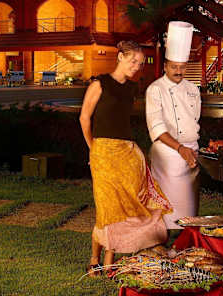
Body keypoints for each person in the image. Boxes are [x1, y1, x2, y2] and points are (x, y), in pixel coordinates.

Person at [79, 40, 172, 275]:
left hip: (129, 154)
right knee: (106, 207)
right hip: (103, 153)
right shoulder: (100, 84)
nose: (136, 67)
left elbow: (124, 122)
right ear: (120, 56)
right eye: (133, 61)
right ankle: (94, 259)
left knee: (126, 207)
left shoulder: (132, 88)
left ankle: (109, 260)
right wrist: (93, 148)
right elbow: (84, 118)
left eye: (140, 63)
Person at [146, 21, 202, 239]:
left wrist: (191, 147)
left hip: (191, 152)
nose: (178, 71)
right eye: (173, 67)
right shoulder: (155, 89)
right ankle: (163, 240)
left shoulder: (193, 89)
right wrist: (180, 148)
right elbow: (157, 127)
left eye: (182, 67)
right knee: (167, 207)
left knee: (189, 207)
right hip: (167, 154)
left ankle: (187, 242)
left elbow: (194, 121)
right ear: (165, 66)